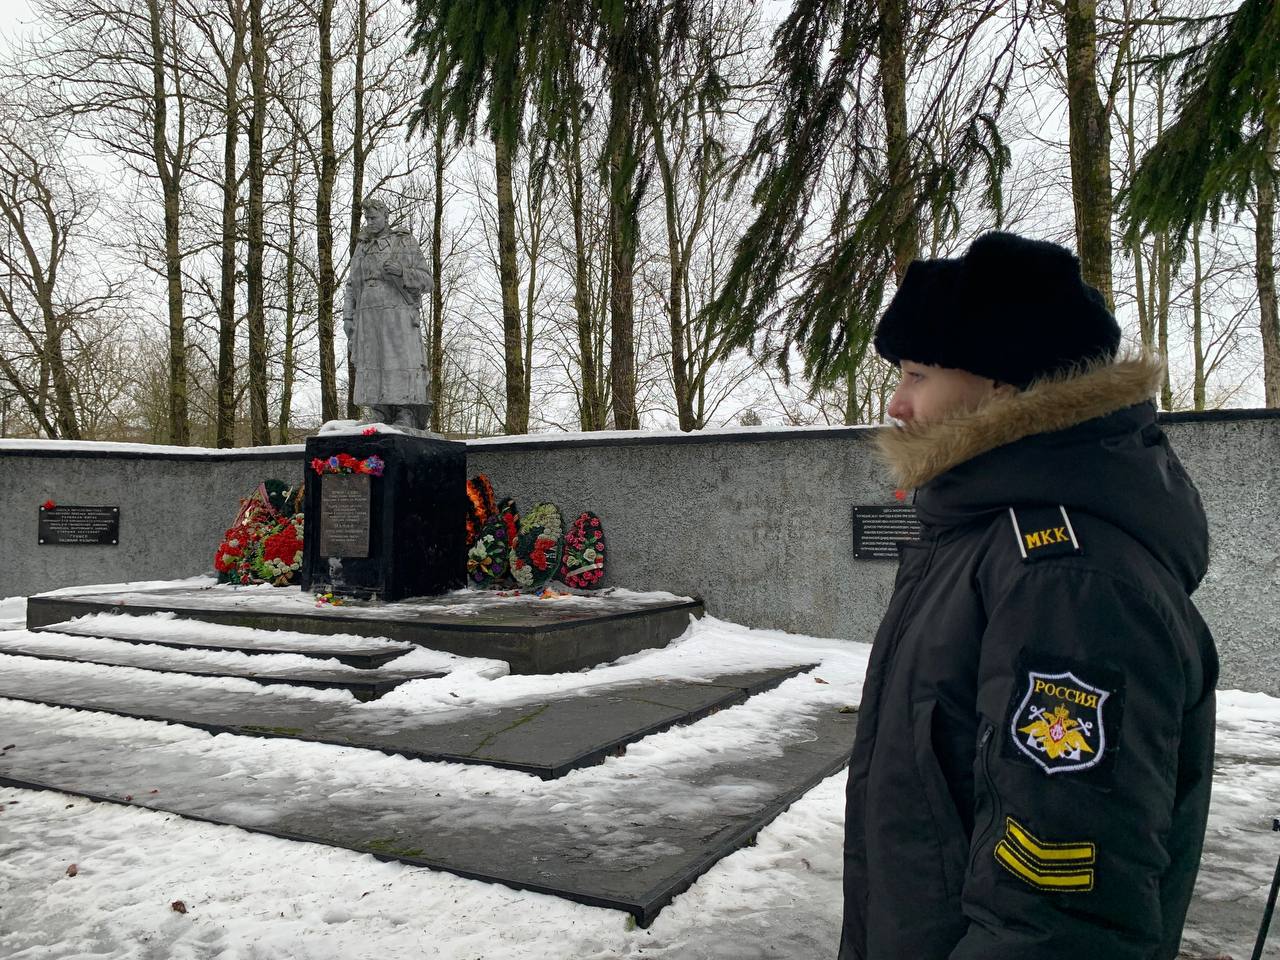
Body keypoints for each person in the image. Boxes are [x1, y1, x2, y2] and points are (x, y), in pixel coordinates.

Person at [839, 231, 1218, 960]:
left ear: (1003, 384)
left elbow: (1059, 914)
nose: (896, 402)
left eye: (917, 373)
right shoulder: (981, 536)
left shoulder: (1063, 578)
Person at [343, 195, 433, 430]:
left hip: (397, 314)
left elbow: (427, 280)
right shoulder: (362, 247)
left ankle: (405, 412)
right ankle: (379, 410)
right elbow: (351, 285)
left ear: (385, 216)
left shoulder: (402, 242)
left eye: (374, 217)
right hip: (367, 313)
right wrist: (348, 316)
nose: (370, 221)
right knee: (371, 360)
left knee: (399, 360)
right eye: (367, 217)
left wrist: (402, 271)